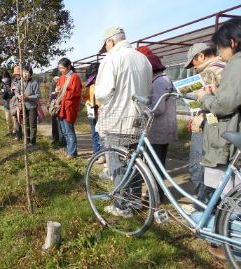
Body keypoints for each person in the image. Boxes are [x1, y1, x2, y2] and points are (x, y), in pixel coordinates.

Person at [95, 26, 152, 217]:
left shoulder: (112, 58)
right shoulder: (143, 59)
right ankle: (134, 203)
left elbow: (102, 93)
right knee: (135, 163)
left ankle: (121, 205)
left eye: (106, 45)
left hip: (118, 119)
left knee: (117, 163)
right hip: (139, 119)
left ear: (110, 42)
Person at [196, 18, 241, 259]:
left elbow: (224, 106)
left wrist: (205, 97)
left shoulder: (237, 63)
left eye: (222, 49)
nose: (221, 55)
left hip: (229, 136)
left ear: (232, 43)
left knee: (229, 194)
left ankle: (228, 244)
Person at [184, 43, 226, 211]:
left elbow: (216, 103)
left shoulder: (211, 71)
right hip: (221, 128)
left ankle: (203, 209)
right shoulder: (226, 67)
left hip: (208, 126)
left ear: (201, 56)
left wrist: (201, 113)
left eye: (193, 62)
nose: (193, 68)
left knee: (199, 167)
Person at [147, 54, 178, 202]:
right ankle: (158, 194)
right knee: (159, 163)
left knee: (154, 165)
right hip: (166, 128)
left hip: (157, 129)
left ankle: (156, 196)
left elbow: (157, 108)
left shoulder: (158, 83)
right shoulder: (166, 80)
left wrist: (143, 107)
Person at [54, 58, 82, 159]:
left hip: (69, 107)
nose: (60, 70)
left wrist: (63, 92)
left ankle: (72, 152)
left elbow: (76, 93)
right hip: (61, 106)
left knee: (69, 130)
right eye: (59, 68)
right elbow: (58, 87)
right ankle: (69, 149)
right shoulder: (62, 77)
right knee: (64, 131)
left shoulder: (75, 77)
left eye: (62, 68)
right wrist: (57, 90)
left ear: (68, 66)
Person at [84, 63, 105, 163]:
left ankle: (102, 155)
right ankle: (96, 153)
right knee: (94, 133)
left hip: (101, 111)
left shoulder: (104, 84)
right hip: (91, 110)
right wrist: (88, 104)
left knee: (102, 134)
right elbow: (86, 97)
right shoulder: (91, 86)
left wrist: (99, 107)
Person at [22, 64, 41, 146]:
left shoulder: (34, 83)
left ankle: (32, 142)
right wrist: (19, 96)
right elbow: (17, 92)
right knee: (25, 124)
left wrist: (28, 97)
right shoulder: (21, 82)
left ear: (30, 73)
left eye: (27, 72)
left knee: (32, 124)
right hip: (23, 106)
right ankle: (27, 140)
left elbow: (38, 95)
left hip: (32, 106)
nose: (25, 74)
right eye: (24, 72)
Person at [49, 68, 65, 147]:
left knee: (60, 123)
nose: (54, 78)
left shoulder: (62, 82)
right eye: (54, 77)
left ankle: (62, 140)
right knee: (54, 122)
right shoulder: (53, 83)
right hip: (53, 105)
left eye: (55, 77)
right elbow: (51, 95)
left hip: (60, 105)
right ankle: (55, 139)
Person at [0, 70, 14, 137]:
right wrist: (4, 94)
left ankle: (15, 131)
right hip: (6, 104)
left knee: (14, 119)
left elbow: (14, 93)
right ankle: (9, 131)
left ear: (8, 77)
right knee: (8, 119)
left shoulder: (12, 83)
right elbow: (2, 94)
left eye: (5, 77)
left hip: (13, 104)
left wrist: (10, 93)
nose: (4, 79)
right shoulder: (2, 84)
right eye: (2, 77)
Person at [10, 65, 23, 140]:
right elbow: (11, 91)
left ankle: (27, 136)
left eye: (18, 73)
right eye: (15, 74)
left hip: (23, 100)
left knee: (24, 117)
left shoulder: (24, 79)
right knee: (16, 117)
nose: (16, 75)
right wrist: (12, 90)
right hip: (15, 101)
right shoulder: (13, 81)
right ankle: (18, 135)